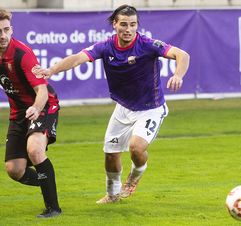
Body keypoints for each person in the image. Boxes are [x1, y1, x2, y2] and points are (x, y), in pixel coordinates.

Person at [33, 4, 190, 203]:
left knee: (136, 148)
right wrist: (52, 70)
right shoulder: (105, 46)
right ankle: (112, 195)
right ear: (115, 24)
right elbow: (76, 59)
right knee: (110, 154)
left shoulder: (148, 44)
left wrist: (178, 75)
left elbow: (182, 55)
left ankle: (134, 176)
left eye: (133, 25)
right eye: (124, 24)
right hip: (123, 107)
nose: (128, 29)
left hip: (151, 108)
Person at [0, 8, 62, 217]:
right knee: (14, 170)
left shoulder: (22, 55)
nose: (3, 35)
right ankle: (48, 181)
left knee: (35, 151)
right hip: (19, 111)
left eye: (6, 30)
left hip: (43, 105)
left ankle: (53, 209)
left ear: (12, 29)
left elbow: (42, 91)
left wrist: (36, 108)